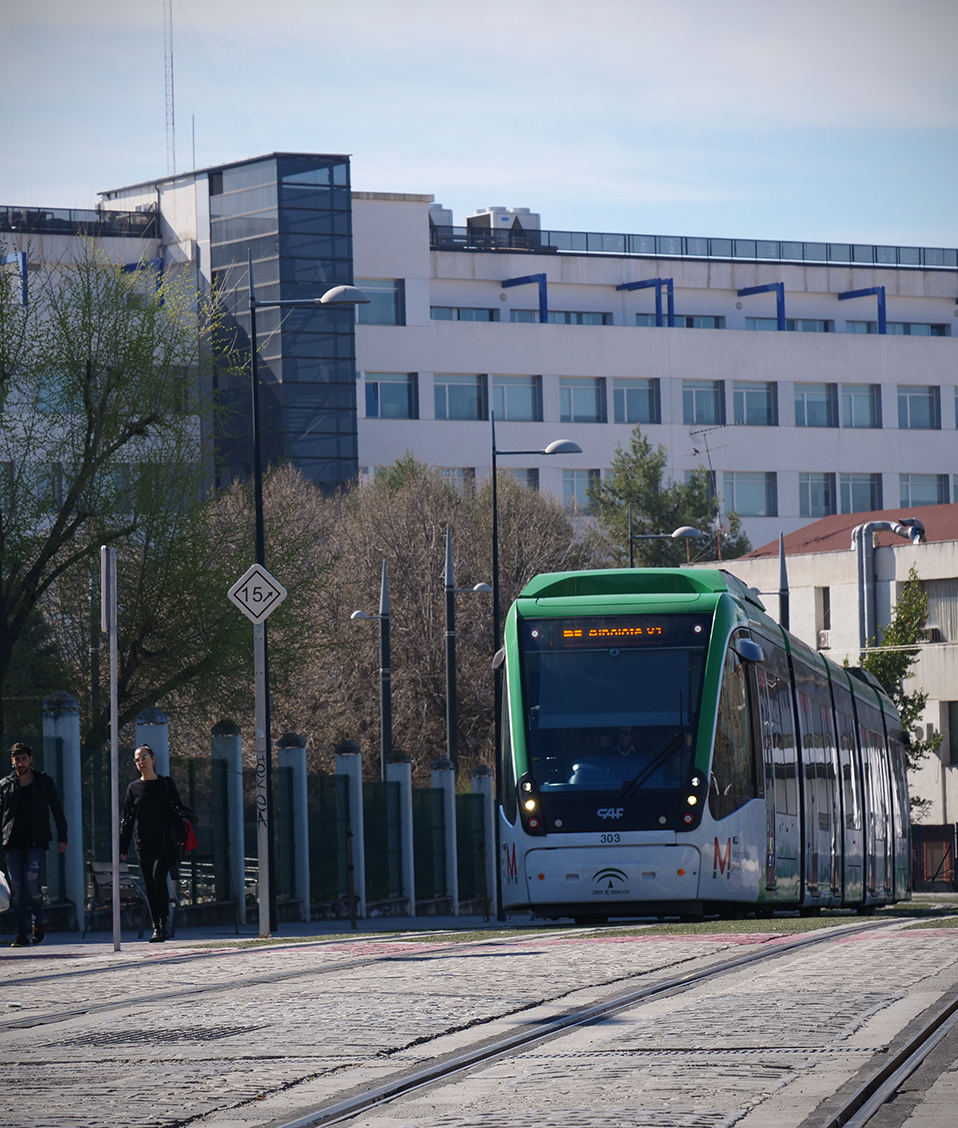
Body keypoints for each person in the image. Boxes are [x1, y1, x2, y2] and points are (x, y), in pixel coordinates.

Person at [0, 742, 68, 947]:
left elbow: (56, 809)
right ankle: (22, 933)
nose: (21, 763)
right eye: (17, 759)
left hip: (36, 842)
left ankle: (38, 922)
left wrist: (62, 837)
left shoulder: (43, 782)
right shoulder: (5, 785)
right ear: (12, 761)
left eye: (24, 758)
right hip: (12, 843)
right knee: (17, 889)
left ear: (31, 759)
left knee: (33, 884)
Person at [119, 745, 188, 943]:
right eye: (138, 759)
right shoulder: (133, 788)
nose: (141, 762)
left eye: (145, 758)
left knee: (159, 877)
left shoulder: (166, 784)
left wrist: (182, 834)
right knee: (150, 883)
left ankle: (164, 924)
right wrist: (123, 847)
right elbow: (128, 819)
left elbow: (177, 810)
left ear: (153, 759)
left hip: (164, 843)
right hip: (143, 843)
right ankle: (157, 927)